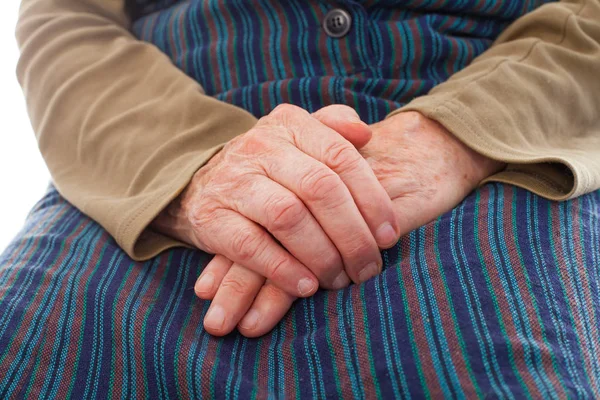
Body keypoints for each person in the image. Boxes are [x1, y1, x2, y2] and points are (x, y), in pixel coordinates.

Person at [1, 0, 599, 397]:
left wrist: (451, 138)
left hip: (494, 156)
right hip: (149, 159)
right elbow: (68, 17)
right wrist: (198, 170)